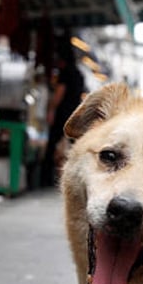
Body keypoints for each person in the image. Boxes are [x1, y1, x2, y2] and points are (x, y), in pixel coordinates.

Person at [40, 34, 85, 187]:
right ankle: (76, 180)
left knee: (52, 144)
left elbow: (59, 93)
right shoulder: (79, 74)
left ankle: (44, 179)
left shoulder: (65, 73)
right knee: (76, 148)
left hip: (63, 114)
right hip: (76, 114)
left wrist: (51, 110)